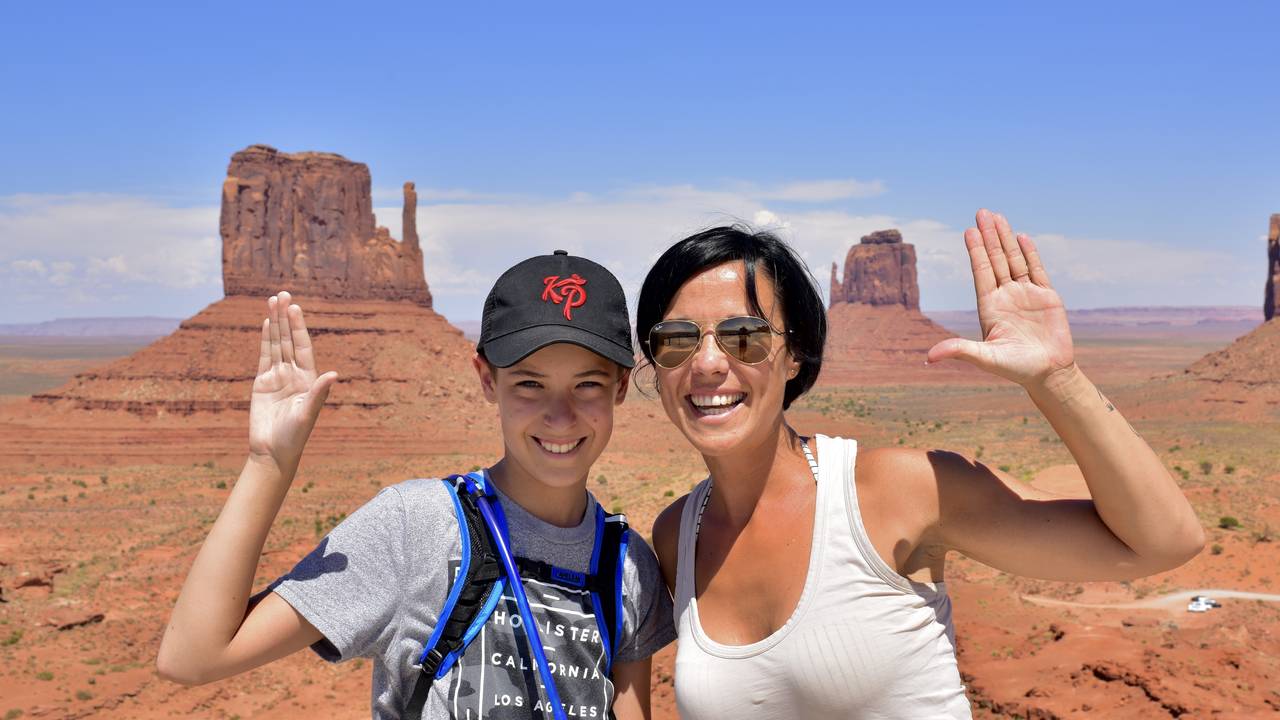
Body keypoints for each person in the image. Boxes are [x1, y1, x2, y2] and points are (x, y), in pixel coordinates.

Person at [638, 210, 1205, 719]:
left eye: (745, 335)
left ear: (795, 356)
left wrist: (1057, 379)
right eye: (676, 338)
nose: (708, 363)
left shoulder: (896, 491)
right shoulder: (676, 536)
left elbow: (1161, 543)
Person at [158, 251, 676, 720]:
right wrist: (269, 463)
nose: (560, 416)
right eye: (529, 383)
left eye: (587, 384)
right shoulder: (417, 527)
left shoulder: (627, 562)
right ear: (486, 380)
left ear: (620, 388)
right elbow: (193, 658)